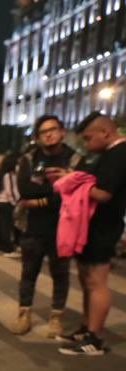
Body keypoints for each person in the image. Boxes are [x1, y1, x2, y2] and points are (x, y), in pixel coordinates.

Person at [58, 113, 126, 356]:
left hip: (104, 226)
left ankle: (94, 338)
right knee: (87, 279)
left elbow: (104, 193)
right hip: (92, 225)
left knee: (97, 281)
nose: (87, 145)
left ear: (105, 133)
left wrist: (72, 181)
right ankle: (86, 328)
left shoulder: (119, 154)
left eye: (88, 139)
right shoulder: (108, 154)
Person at [13, 115, 80, 338]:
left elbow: (74, 195)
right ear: (38, 136)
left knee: (60, 273)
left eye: (53, 130)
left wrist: (42, 198)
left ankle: (56, 317)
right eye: (43, 132)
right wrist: (58, 188)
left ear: (62, 131)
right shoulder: (29, 159)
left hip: (64, 226)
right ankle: (24, 314)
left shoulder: (74, 159)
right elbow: (25, 191)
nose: (49, 134)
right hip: (33, 226)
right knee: (28, 272)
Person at [0, 152, 21, 256]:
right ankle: (7, 248)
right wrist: (16, 202)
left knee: (0, 224)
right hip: (7, 202)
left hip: (0, 201)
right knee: (6, 225)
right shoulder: (9, 175)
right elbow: (10, 190)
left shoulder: (1, 173)